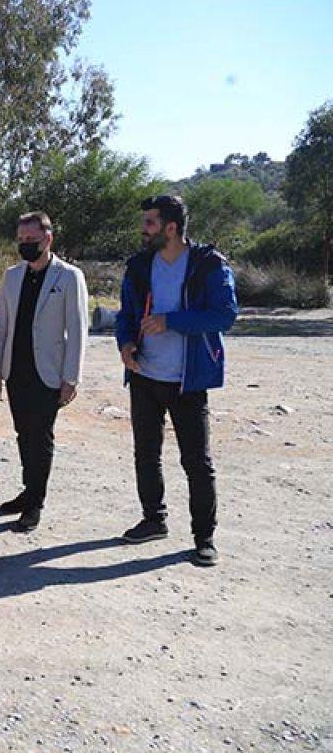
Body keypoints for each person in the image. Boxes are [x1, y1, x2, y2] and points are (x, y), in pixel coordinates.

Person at [115, 195, 238, 567]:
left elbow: (225, 315)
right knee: (145, 454)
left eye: (150, 223)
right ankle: (154, 519)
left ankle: (204, 538)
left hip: (188, 381)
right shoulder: (139, 266)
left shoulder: (209, 265)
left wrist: (172, 321)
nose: (144, 230)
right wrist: (126, 344)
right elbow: (126, 313)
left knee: (196, 462)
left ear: (171, 227)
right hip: (145, 376)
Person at [0, 211, 89, 531]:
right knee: (22, 434)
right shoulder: (13, 276)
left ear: (48, 238)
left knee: (40, 437)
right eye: (21, 240)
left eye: (32, 239)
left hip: (49, 373)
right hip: (16, 370)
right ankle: (28, 491)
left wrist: (71, 378)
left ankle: (35, 504)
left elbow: (77, 329)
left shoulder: (69, 277)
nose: (26, 245)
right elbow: (1, 325)